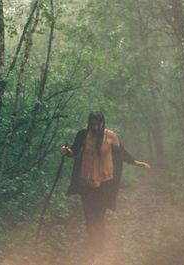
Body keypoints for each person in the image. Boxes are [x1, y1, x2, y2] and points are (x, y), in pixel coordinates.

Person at [61, 111, 150, 262]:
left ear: (102, 123)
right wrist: (67, 151)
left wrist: (135, 162)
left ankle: (99, 246)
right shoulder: (82, 135)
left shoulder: (110, 136)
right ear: (89, 123)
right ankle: (93, 245)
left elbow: (122, 153)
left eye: (97, 124)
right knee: (89, 217)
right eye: (92, 124)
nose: (95, 127)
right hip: (86, 183)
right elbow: (74, 151)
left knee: (99, 216)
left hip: (104, 184)